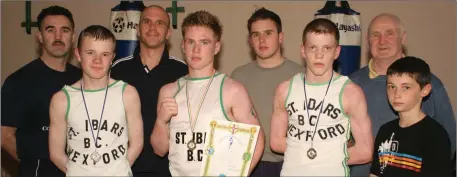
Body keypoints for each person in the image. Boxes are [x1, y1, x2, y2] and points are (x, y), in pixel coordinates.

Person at [150, 10, 265, 176]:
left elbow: (257, 140)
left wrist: (239, 174)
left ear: (216, 47)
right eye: (191, 42)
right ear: (183, 45)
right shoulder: (169, 91)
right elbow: (160, 150)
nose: (196, 50)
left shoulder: (231, 90)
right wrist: (161, 121)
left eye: (204, 42)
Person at [349, 13, 456, 176]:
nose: (382, 41)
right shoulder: (349, 84)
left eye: (389, 34)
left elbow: (450, 141)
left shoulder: (430, 83)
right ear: (367, 39)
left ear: (403, 38)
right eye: (375, 35)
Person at [270, 18, 373, 176]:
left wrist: (322, 158)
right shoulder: (284, 89)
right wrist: (310, 152)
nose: (319, 55)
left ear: (337, 52)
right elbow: (276, 142)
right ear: (303, 50)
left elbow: (365, 150)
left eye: (326, 48)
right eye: (312, 48)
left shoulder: (350, 92)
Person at [48, 25, 143, 176]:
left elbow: (137, 143)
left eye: (105, 54)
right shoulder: (61, 99)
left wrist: (117, 171)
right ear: (78, 54)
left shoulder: (127, 94)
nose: (97, 60)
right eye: (90, 52)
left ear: (112, 58)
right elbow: (56, 153)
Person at [1, 5, 81, 177]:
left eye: (65, 30)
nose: (58, 36)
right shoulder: (19, 81)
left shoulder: (83, 79)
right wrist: (31, 164)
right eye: (50, 30)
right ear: (39, 36)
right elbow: (5, 135)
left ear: (73, 37)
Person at [110, 5, 188, 177]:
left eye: (160, 23)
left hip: (171, 170)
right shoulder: (117, 70)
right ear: (137, 29)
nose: (152, 28)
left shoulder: (183, 72)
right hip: (125, 168)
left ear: (168, 33)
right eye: (147, 22)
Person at [230, 7, 302, 177]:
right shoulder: (237, 76)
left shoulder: (301, 75)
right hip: (250, 162)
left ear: (281, 37)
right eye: (256, 35)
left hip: (291, 162)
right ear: (250, 40)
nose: (262, 40)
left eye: (268, 33)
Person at [370, 56, 452, 177]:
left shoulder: (435, 136)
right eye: (392, 87)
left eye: (406, 87)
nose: (397, 95)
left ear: (425, 90)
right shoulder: (385, 131)